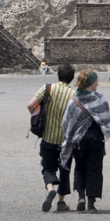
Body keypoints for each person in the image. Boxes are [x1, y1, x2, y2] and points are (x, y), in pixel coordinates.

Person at [59, 69, 110, 213]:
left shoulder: (74, 100)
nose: (97, 83)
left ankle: (81, 196)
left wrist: (70, 135)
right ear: (90, 83)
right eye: (95, 81)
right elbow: (106, 120)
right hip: (95, 139)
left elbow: (66, 121)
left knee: (80, 167)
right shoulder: (100, 99)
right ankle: (91, 204)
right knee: (94, 169)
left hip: (78, 140)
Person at [27, 63, 75, 212]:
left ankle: (50, 189)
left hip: (48, 137)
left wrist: (38, 117)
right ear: (71, 78)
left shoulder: (47, 88)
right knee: (65, 169)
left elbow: (30, 105)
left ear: (58, 75)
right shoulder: (74, 94)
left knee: (48, 168)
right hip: (66, 140)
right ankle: (61, 202)